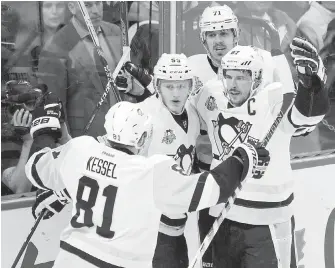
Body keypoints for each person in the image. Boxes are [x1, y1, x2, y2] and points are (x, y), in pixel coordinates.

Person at [25, 92, 269, 267]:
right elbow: (211, 189)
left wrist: (46, 130)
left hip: (70, 259)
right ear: (142, 140)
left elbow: (35, 168)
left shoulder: (79, 149)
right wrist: (243, 157)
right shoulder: (152, 172)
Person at [190, 43, 329, 267]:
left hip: (268, 225)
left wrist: (311, 85)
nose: (233, 85)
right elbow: (177, 117)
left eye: (242, 78)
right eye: (229, 76)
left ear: (256, 79)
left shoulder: (273, 101)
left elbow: (307, 116)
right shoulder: (210, 95)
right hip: (223, 219)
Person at [187, 5, 295, 266]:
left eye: (224, 33)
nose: (218, 40)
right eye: (211, 34)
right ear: (203, 39)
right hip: (213, 185)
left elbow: (291, 105)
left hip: (260, 196)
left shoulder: (263, 62)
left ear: (236, 35)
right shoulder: (192, 69)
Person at [37, 1, 133, 139]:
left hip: (122, 133)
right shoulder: (55, 47)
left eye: (98, 3)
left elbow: (127, 81)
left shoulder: (116, 32)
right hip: (84, 138)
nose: (95, 10)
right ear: (71, 7)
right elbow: (55, 107)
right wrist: (67, 145)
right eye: (87, 5)